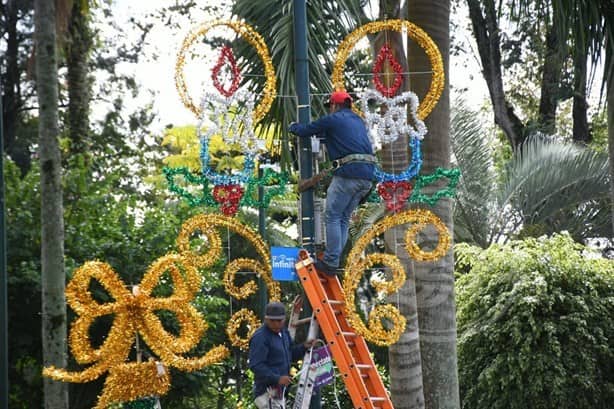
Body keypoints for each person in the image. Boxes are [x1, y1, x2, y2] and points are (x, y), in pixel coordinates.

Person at [289, 90, 375, 276]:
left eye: (330, 107)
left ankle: (330, 262)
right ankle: (333, 260)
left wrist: (292, 126)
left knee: (333, 217)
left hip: (347, 175)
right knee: (342, 219)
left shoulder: (333, 119)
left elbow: (305, 130)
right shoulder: (358, 121)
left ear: (335, 106)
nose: (329, 110)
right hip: (367, 178)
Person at [248, 302, 316, 409]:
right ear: (266, 319)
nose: (276, 324)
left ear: (284, 319)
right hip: (266, 393)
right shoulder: (260, 337)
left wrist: (303, 347)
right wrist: (277, 378)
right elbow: (255, 365)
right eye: (272, 320)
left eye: (279, 320)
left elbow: (290, 355)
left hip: (280, 393)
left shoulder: (284, 333)